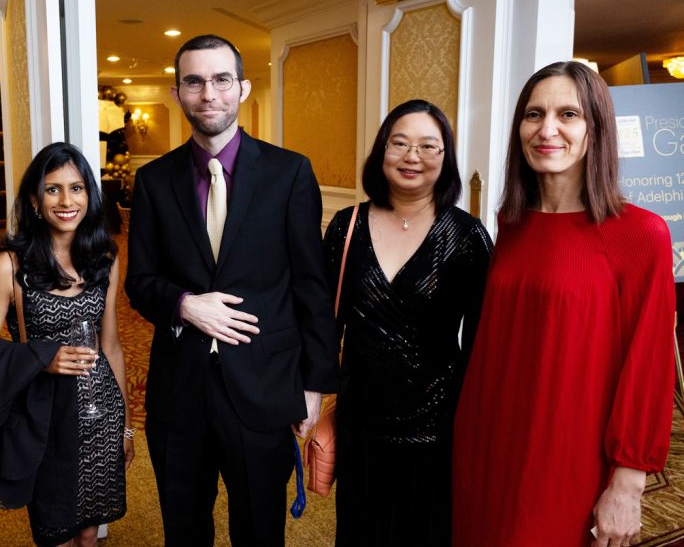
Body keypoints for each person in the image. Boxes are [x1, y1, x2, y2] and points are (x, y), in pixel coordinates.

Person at [124, 34, 339, 545]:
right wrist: (184, 304)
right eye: (194, 82)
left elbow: (311, 285)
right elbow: (140, 282)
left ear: (242, 87)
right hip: (179, 391)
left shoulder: (290, 173)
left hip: (265, 386)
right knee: (184, 527)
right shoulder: (153, 181)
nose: (209, 94)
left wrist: (312, 386)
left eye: (221, 80)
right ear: (178, 93)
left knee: (260, 529)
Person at [452, 61, 676, 547]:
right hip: (487, 441)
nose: (547, 129)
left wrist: (628, 481)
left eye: (568, 114)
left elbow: (648, 367)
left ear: (595, 128)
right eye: (534, 114)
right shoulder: (511, 224)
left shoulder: (640, 234)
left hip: (566, 456)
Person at [323, 99, 492, 546]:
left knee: (426, 533)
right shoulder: (346, 226)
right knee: (361, 531)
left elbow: (480, 340)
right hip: (361, 418)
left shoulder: (468, 236)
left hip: (437, 422)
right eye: (399, 143)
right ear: (382, 151)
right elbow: (326, 322)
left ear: (446, 157)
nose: (412, 157)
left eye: (428, 146)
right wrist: (317, 399)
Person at [0, 142, 132, 547]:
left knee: (90, 532)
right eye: (53, 189)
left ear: (90, 196)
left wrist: (125, 427)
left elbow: (112, 347)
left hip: (100, 415)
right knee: (55, 532)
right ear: (35, 201)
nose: (66, 200)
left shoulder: (105, 257)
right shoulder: (10, 266)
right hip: (45, 419)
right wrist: (43, 358)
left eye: (76, 188)